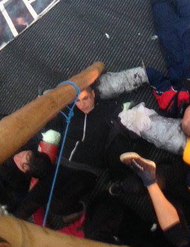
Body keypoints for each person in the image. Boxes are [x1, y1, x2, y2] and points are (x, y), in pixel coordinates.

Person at [13, 85, 124, 225]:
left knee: (57, 206)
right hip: (62, 164)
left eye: (86, 99)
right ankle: (8, 232)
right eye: (77, 101)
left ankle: (81, 206)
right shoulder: (69, 111)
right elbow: (52, 118)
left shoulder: (107, 108)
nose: (82, 104)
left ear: (93, 94)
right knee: (32, 199)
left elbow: (126, 111)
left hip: (88, 169)